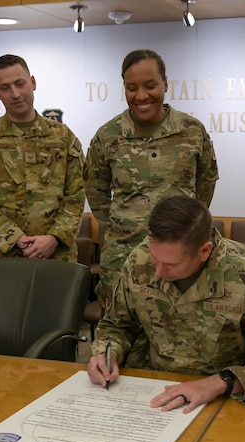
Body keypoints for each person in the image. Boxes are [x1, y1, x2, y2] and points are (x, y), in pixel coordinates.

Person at [87, 195, 245, 412]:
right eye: (156, 259)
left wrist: (220, 383)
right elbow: (117, 325)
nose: (158, 272)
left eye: (171, 264)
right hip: (152, 388)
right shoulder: (140, 259)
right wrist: (106, 354)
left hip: (225, 398)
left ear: (204, 251)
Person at [83, 49, 219, 306]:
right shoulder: (108, 136)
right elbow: (95, 190)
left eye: (150, 85)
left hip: (179, 256)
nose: (141, 96)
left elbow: (206, 184)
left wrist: (184, 227)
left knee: (179, 335)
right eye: (132, 87)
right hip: (122, 257)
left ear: (165, 84)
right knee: (120, 333)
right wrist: (123, 224)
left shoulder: (192, 131)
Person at [0, 54, 85, 276]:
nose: (15, 94)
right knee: (2, 312)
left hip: (55, 257)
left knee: (55, 311)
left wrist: (54, 237)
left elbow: (76, 193)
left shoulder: (63, 137)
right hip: (3, 258)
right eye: (5, 88)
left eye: (20, 84)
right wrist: (13, 237)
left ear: (33, 82)